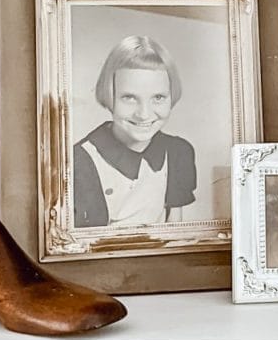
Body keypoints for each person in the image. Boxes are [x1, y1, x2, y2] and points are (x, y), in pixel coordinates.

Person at [72, 35, 196, 230]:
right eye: (129, 97)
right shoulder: (78, 161)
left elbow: (175, 228)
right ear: (109, 96)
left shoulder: (178, 152)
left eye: (158, 97)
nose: (144, 114)